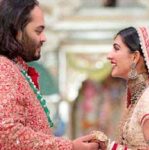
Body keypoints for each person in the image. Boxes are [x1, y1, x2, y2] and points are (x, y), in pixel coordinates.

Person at [0, 0, 99, 149]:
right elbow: (6, 134)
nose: (44, 38)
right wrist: (69, 146)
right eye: (38, 31)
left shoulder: (15, 69)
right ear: (17, 31)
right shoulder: (4, 68)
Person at [96, 26, 149, 149]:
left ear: (134, 57)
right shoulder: (139, 96)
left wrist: (110, 146)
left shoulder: (148, 99)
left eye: (116, 49)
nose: (109, 56)